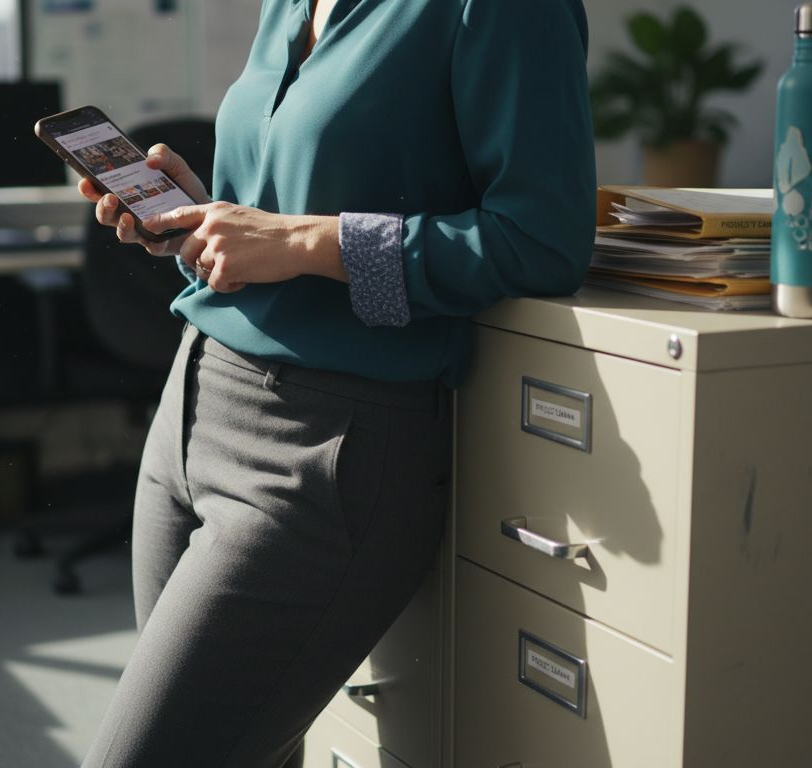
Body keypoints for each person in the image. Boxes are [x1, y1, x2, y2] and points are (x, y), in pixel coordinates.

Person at [78, 1, 595, 765]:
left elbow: (541, 242)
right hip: (192, 404)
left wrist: (298, 240)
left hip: (322, 449)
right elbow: (274, 227)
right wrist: (204, 221)